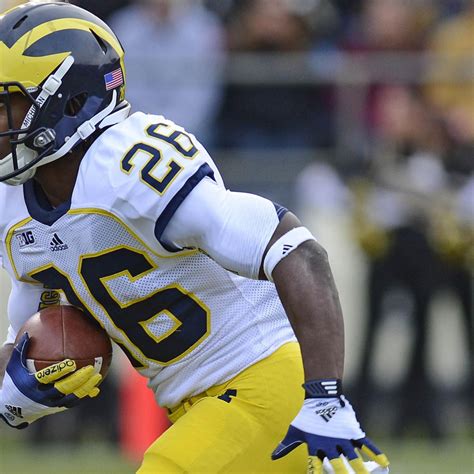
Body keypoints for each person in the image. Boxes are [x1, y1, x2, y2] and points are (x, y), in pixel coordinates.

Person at [0, 3, 389, 473]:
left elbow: (295, 248)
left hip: (264, 377)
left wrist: (324, 396)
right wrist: (16, 391)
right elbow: (26, 337)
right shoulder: (11, 205)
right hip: (198, 407)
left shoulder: (128, 166)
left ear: (70, 102)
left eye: (5, 104)